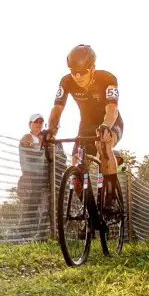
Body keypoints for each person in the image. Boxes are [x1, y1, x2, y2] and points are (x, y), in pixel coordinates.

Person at [43, 44, 124, 216]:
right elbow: (57, 108)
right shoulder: (66, 81)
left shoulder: (108, 78)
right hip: (86, 126)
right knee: (76, 171)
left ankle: (110, 200)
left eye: (82, 72)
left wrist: (106, 126)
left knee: (103, 144)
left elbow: (112, 108)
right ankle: (92, 215)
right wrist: (51, 130)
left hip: (110, 121)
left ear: (92, 68)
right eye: (74, 72)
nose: (77, 76)